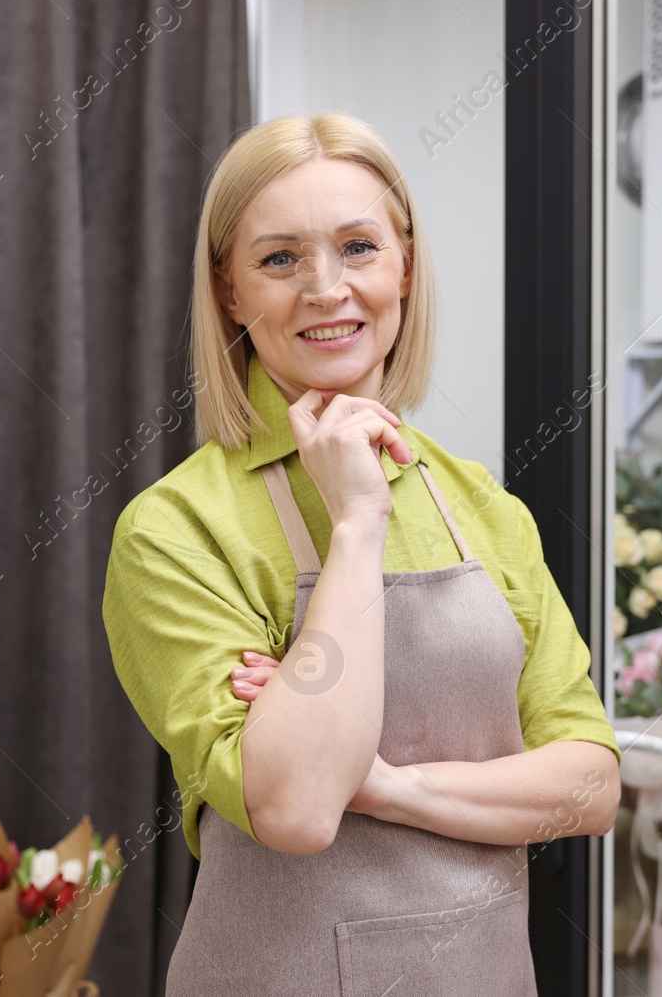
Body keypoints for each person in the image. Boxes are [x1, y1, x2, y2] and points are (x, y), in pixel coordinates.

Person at [103, 111, 622, 995]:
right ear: (230, 291)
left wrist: (383, 786)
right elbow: (300, 806)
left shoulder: (485, 506)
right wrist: (355, 523)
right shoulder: (177, 528)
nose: (326, 288)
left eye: (358, 247)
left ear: (405, 267)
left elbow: (592, 787)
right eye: (279, 259)